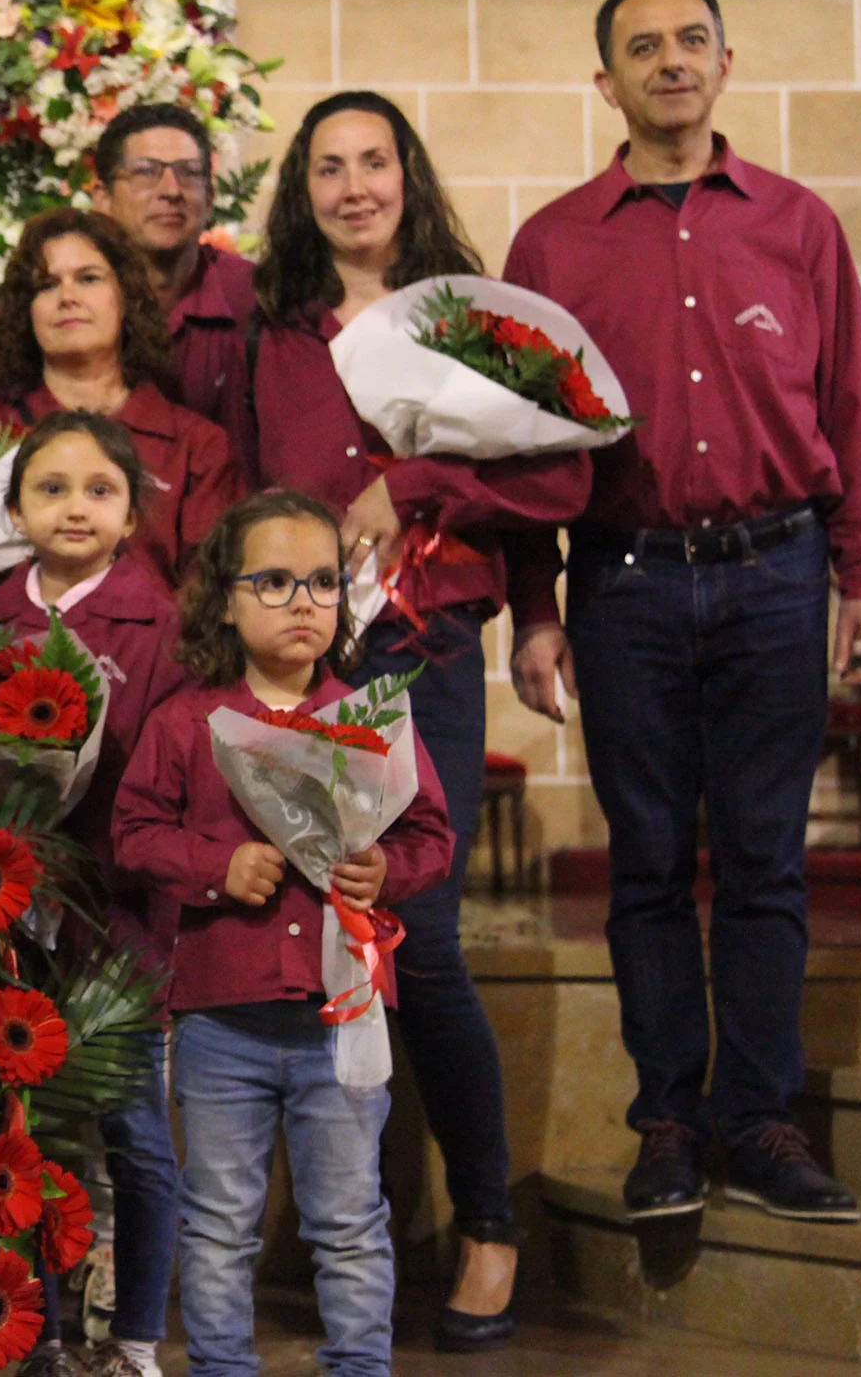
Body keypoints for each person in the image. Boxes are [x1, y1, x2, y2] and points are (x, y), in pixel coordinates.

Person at [504, 0, 861, 1227]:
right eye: (642, 47)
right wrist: (532, 606)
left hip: (777, 577)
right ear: (605, 83)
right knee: (643, 869)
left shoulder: (797, 226)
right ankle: (669, 1121)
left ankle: (762, 1121)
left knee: (764, 864)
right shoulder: (553, 245)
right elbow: (523, 442)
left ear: (726, 63)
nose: (669, 62)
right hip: (622, 585)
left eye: (690, 41)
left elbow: (853, 408)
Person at [253, 90, 593, 1352]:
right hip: (304, 659)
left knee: (425, 942)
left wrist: (413, 482)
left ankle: (487, 1223)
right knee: (325, 939)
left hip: (427, 646)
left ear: (408, 177)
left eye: (374, 163)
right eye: (328, 168)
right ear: (304, 189)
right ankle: (359, 1227)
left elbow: (557, 471)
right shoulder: (271, 328)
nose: (353, 188)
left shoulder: (466, 314)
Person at [116, 491, 452, 1377]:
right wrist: (215, 867)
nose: (303, 600)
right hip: (222, 1019)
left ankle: (359, 1367)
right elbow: (135, 833)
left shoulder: (370, 716)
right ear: (223, 598)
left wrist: (387, 871)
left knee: (348, 1217)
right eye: (273, 581)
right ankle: (223, 1367)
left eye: (322, 581)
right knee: (220, 1219)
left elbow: (429, 835)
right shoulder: (186, 722)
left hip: (341, 1014)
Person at [0, 412, 190, 1377]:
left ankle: (134, 1339)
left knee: (135, 1138)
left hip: (121, 928)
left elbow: (175, 771)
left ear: (132, 513)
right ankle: (41, 1330)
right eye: (50, 489)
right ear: (12, 510)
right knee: (29, 1140)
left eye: (99, 489)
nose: (75, 506)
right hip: (19, 927)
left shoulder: (163, 626)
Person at [0, 207, 245, 592]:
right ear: (26, 310)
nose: (67, 297)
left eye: (88, 279)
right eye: (47, 285)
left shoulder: (197, 445)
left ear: (126, 298)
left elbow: (209, 597)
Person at [0, 105, 256, 471]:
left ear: (211, 197)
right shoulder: (38, 309)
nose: (171, 191)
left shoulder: (253, 299)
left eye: (189, 174)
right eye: (146, 172)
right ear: (102, 196)